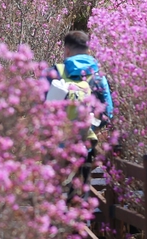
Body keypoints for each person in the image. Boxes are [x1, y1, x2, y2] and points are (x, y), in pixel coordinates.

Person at [47, 31, 113, 202]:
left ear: (67, 50)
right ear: (89, 50)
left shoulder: (56, 72)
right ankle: (79, 223)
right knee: (80, 194)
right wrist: (91, 127)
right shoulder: (98, 75)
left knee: (56, 194)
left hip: (58, 145)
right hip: (85, 143)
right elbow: (108, 112)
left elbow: (39, 107)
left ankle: (58, 224)